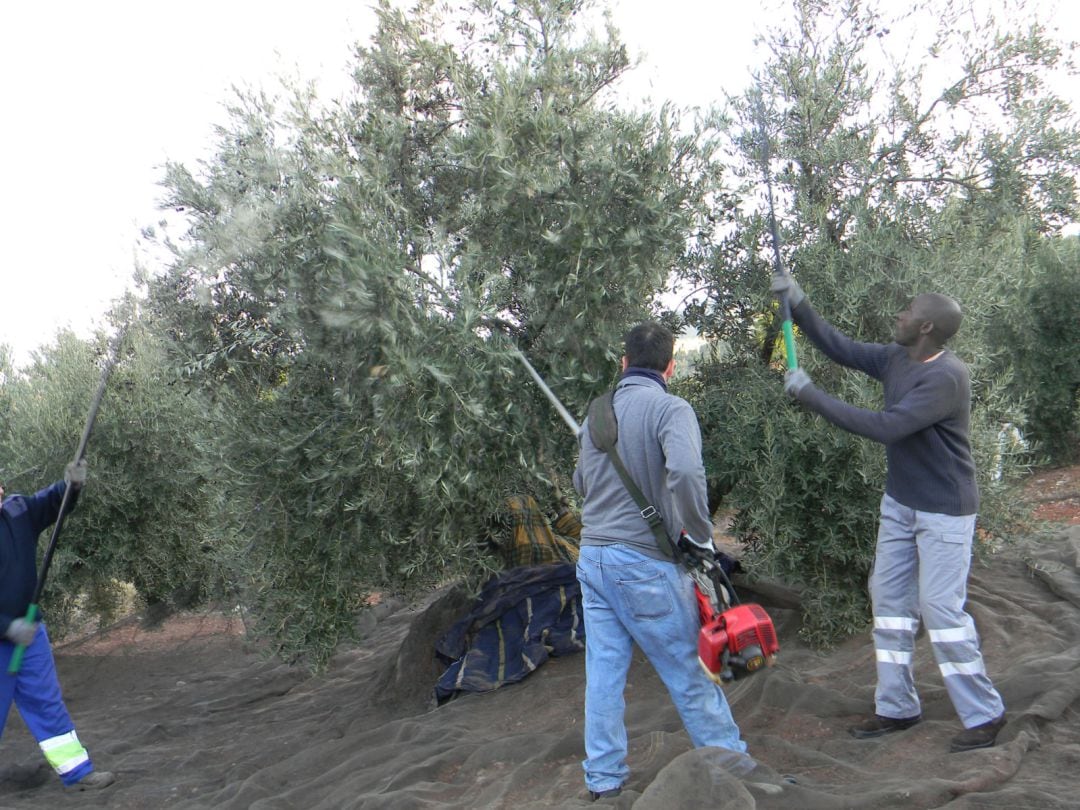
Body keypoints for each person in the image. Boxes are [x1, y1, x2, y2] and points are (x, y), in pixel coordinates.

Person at [773, 272, 1007, 753]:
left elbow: (886, 427)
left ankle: (985, 714)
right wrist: (799, 303)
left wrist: (811, 395)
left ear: (926, 327)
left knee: (940, 608)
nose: (899, 315)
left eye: (908, 311)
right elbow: (840, 347)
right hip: (901, 502)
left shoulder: (945, 377)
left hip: (944, 510)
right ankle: (897, 707)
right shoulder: (896, 358)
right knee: (890, 603)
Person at [573, 322, 749, 801]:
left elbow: (580, 485)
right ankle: (732, 768)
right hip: (644, 564)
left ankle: (603, 779)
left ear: (624, 362)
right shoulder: (672, 409)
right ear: (671, 367)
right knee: (689, 673)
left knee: (603, 673)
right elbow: (687, 472)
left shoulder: (597, 414)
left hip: (593, 559)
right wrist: (701, 536)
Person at [0, 462, 116, 791]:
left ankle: (77, 771)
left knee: (46, 703)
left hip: (30, 635)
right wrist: (7, 627)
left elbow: (52, 504)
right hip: (5, 637)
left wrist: (70, 486)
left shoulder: (17, 511)